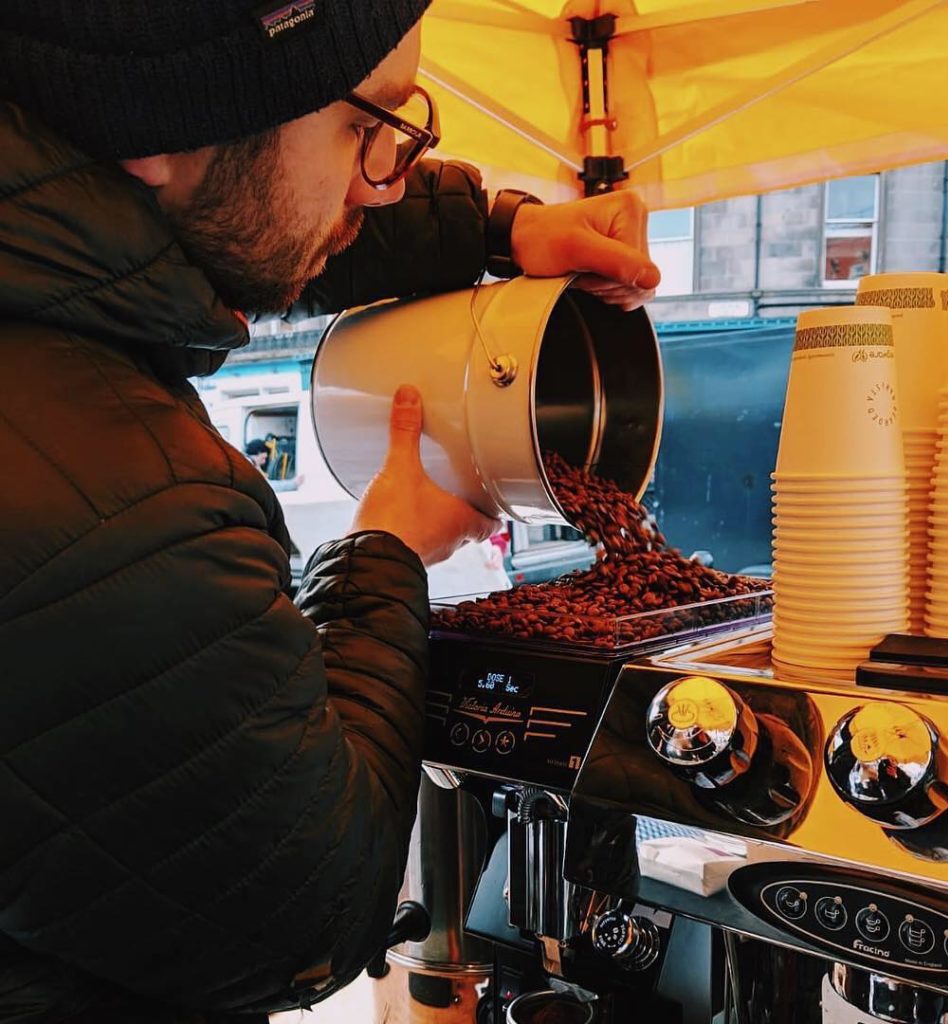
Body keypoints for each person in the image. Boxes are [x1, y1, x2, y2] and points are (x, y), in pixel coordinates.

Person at [0, 3, 660, 1021]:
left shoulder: (62, 194)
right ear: (160, 122)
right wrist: (379, 555)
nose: (378, 179)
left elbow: (239, 197)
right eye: (364, 126)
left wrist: (504, 230)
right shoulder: (130, 510)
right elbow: (310, 915)